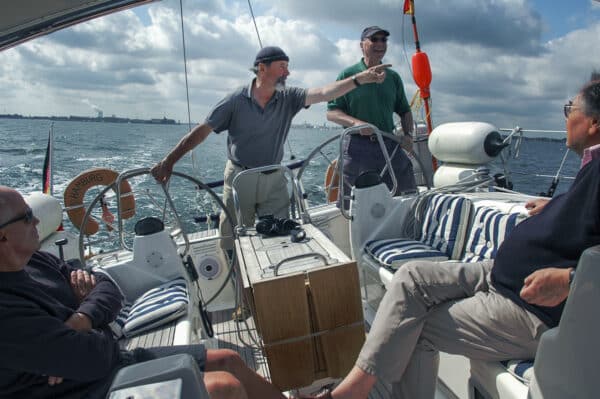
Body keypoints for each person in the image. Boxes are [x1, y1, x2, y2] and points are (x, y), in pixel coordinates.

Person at [305, 79, 600, 399]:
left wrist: (569, 281)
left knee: (413, 330)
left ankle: (348, 393)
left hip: (531, 309)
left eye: (570, 108)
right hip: (498, 274)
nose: (565, 116)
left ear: (594, 122)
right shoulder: (591, 165)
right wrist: (558, 205)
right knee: (411, 276)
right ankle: (357, 388)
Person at [0, 186, 287, 399]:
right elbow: (94, 357)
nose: (37, 222)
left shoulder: (37, 260)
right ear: (2, 236)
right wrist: (91, 327)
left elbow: (109, 288)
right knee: (223, 388)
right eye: (27, 217)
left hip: (108, 364)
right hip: (84, 391)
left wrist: (82, 319)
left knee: (229, 360)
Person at [151, 46, 390, 250]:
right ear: (261, 69)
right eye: (282, 67)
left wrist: (359, 79)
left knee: (280, 236)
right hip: (239, 177)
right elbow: (200, 132)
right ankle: (239, 291)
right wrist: (169, 161)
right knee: (231, 238)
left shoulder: (289, 97)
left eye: (287, 66)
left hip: (274, 178)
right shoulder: (234, 100)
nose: (288, 72)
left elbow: (324, 92)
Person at [327, 26, 417, 209]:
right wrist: (356, 123)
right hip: (357, 146)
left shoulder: (393, 78)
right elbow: (332, 112)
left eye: (384, 40)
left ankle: (408, 229)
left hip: (389, 144)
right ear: (362, 45)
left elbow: (404, 111)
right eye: (374, 39)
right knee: (352, 204)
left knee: (407, 192)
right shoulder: (348, 75)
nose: (380, 43)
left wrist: (408, 135)